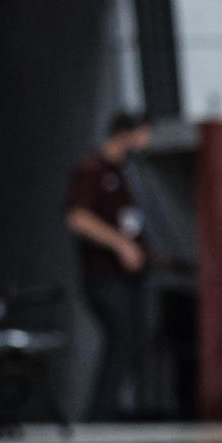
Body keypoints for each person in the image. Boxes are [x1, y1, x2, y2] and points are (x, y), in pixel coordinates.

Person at [65, 112, 154, 421]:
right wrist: (121, 244)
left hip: (129, 277)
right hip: (104, 276)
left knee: (133, 337)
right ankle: (98, 415)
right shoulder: (93, 170)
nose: (146, 142)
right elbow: (78, 217)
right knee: (121, 336)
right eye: (142, 134)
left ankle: (113, 410)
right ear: (124, 133)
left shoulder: (127, 173)